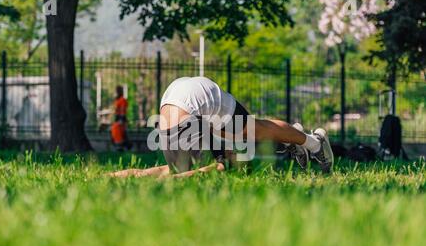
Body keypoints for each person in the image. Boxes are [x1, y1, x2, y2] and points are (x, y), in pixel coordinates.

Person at [109, 76, 333, 178]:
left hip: (188, 101)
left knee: (255, 132)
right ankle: (294, 139)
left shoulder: (198, 144)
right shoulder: (200, 143)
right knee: (193, 169)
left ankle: (313, 143)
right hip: (184, 100)